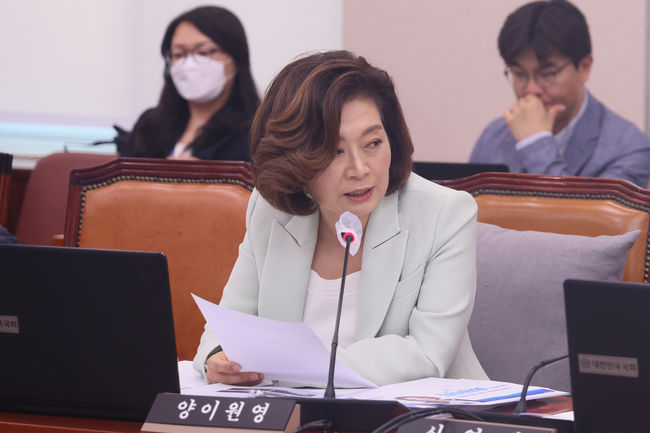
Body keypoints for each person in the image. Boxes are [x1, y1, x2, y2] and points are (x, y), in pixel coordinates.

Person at [193, 51, 487, 386]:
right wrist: (218, 357)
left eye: (373, 143)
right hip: (295, 408)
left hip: (418, 409)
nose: (360, 169)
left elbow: (426, 354)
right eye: (335, 151)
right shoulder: (271, 210)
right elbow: (229, 323)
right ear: (292, 158)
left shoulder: (444, 214)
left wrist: (288, 364)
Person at [470, 0, 650, 187]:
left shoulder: (628, 147)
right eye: (519, 74)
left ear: (584, 67)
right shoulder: (493, 137)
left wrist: (535, 142)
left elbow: (583, 208)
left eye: (547, 74)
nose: (531, 89)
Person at [119, 6, 259, 160]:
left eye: (203, 52)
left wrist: (205, 174)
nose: (189, 64)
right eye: (179, 54)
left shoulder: (256, 134)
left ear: (235, 58)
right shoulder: (149, 125)